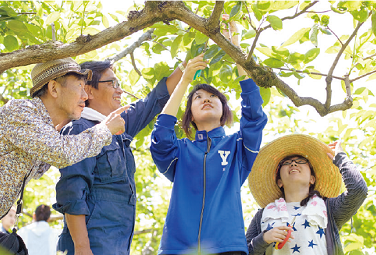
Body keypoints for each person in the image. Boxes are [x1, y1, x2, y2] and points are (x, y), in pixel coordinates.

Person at [149, 21, 268, 254]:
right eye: (198, 97)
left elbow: (254, 115)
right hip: (178, 248)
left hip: (227, 246)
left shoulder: (238, 147)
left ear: (224, 112)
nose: (207, 98)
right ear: (190, 117)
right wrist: (184, 81)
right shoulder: (180, 151)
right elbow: (161, 136)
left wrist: (236, 50)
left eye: (214, 96)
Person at [53, 58, 186, 255]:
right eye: (112, 83)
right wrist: (82, 248)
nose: (120, 90)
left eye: (119, 84)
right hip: (90, 247)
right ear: (88, 91)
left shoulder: (119, 128)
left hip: (118, 246)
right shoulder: (81, 129)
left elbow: (155, 100)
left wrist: (187, 67)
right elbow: (72, 192)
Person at [0, 57, 128, 219]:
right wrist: (105, 130)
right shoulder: (20, 111)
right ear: (54, 88)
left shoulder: (45, 129)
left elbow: (43, 166)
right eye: (80, 86)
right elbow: (61, 153)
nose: (85, 96)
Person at [246, 134, 368, 255]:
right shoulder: (262, 216)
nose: (293, 164)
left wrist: (340, 157)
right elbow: (243, 252)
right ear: (280, 182)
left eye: (300, 161)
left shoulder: (328, 208)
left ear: (312, 179)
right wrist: (263, 239)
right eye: (286, 162)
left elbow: (358, 189)